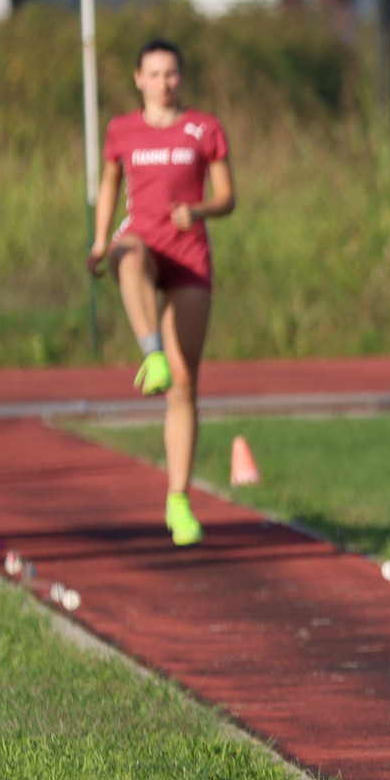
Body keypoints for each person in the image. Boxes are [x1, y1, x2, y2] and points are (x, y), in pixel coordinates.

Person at [89, 38, 233, 547]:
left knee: (185, 386)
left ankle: (178, 499)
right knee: (126, 254)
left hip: (188, 254)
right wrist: (99, 239)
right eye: (153, 74)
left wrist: (200, 210)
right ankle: (151, 353)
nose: (163, 83)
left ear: (181, 77)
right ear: (138, 79)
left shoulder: (204, 128)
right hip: (143, 241)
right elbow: (109, 183)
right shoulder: (121, 130)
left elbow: (227, 196)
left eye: (171, 73)